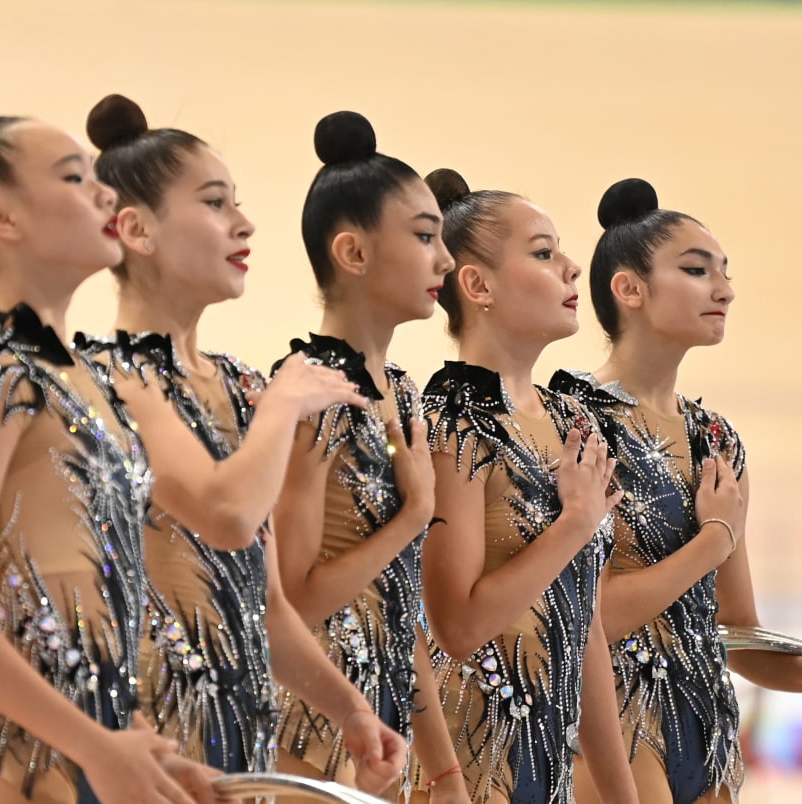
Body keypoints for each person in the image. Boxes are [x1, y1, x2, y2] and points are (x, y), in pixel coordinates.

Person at [554, 178, 802, 804]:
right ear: (629, 289)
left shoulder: (716, 441)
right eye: (696, 270)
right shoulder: (571, 422)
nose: (724, 289)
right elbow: (592, 617)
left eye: (725, 272)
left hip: (707, 729)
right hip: (609, 724)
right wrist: (714, 539)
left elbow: (737, 629)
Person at [75, 94, 404, 794]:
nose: (244, 222)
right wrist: (282, 406)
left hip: (236, 728)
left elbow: (266, 602)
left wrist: (348, 707)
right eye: (215, 203)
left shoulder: (237, 385)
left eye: (238, 203)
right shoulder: (105, 378)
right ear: (135, 229)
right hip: (143, 734)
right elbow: (225, 515)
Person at [0, 101, 215, 804]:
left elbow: (98, 603)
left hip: (71, 755)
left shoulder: (86, 381)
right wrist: (97, 746)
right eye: (75, 177)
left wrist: (143, 752)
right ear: (2, 218)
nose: (106, 193)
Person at [418, 168, 639, 803]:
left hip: (550, 767)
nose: (571, 268)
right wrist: (573, 526)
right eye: (543, 253)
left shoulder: (571, 421)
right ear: (477, 285)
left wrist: (622, 796)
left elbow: (583, 623)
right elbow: (458, 628)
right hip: (467, 764)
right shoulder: (450, 423)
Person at [270, 111, 467, 803]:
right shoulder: (308, 393)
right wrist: (413, 516)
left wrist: (445, 771)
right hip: (308, 731)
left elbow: (400, 603)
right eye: (424, 237)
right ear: (353, 253)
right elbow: (293, 599)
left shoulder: (402, 392)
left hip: (381, 731)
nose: (445, 260)